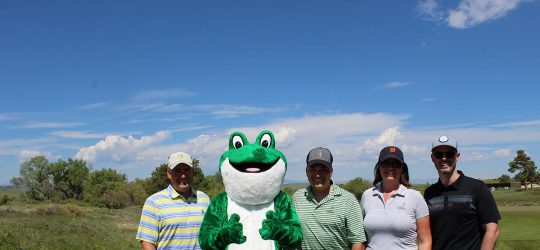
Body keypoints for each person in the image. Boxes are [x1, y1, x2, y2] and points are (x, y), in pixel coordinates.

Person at [424, 136, 501, 250]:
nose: (444, 158)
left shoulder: (477, 188)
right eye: (439, 154)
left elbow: (492, 230)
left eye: (450, 154)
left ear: (457, 156)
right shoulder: (429, 193)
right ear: (432, 158)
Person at [292, 147, 366, 250]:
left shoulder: (348, 200)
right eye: (313, 169)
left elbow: (358, 242)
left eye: (323, 169)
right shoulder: (297, 198)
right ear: (306, 171)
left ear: (331, 171)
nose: (317, 174)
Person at [360, 146, 431, 250]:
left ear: (402, 168)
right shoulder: (367, 195)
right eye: (386, 163)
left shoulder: (415, 197)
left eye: (396, 164)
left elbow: (425, 241)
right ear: (379, 167)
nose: (390, 168)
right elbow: (361, 239)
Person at [136, 152, 210, 250]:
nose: (183, 175)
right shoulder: (154, 202)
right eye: (178, 171)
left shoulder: (204, 199)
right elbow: (147, 243)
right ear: (169, 174)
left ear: (193, 172)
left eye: (187, 170)